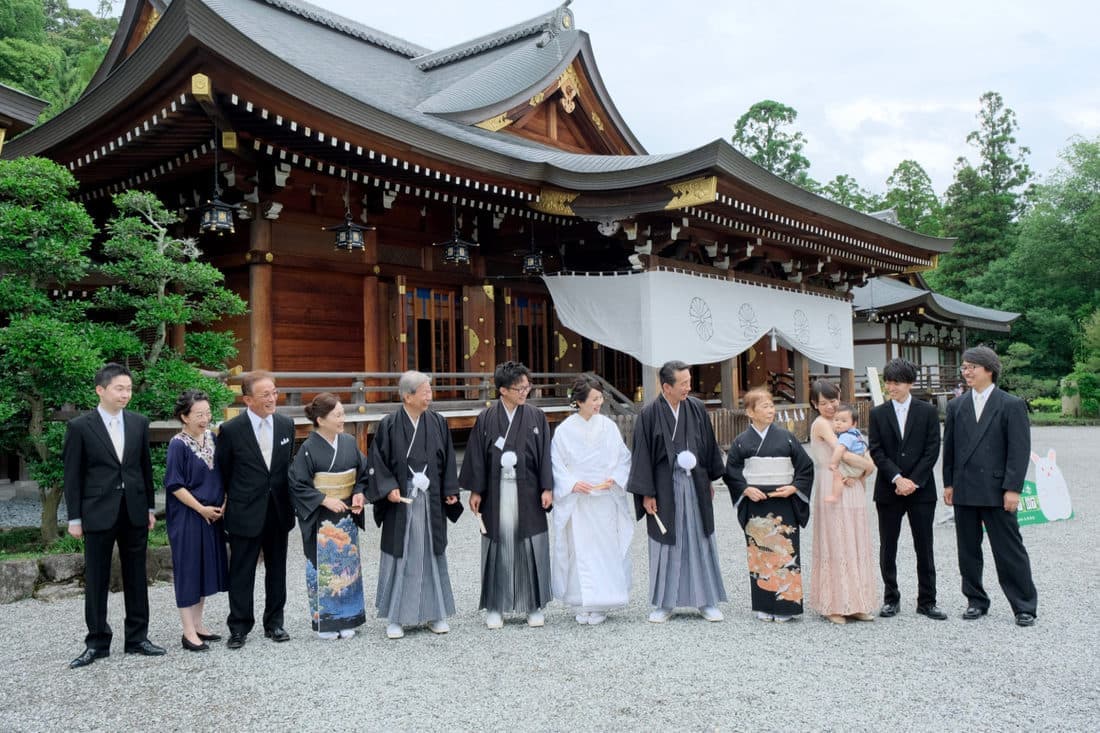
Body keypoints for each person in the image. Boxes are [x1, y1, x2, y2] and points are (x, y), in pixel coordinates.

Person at [63, 363, 165, 668]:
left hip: (133, 509)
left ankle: (137, 638)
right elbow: (73, 475)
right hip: (97, 511)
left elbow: (144, 469)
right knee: (96, 578)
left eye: (129, 389)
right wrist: (74, 518)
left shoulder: (138, 423)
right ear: (100, 390)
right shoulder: (81, 427)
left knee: (137, 576)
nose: (125, 394)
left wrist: (149, 507)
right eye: (119, 388)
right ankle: (97, 642)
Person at [943, 346, 1037, 627]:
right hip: (965, 488)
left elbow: (1019, 450)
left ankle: (1024, 605)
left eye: (972, 366)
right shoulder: (956, 406)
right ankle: (975, 600)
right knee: (968, 550)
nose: (966, 371)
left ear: (989, 370)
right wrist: (948, 483)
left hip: (997, 490)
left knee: (1009, 549)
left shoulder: (1011, 404)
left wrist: (1013, 489)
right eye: (964, 366)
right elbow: (950, 449)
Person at [627, 360, 727, 624]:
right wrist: (646, 494)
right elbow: (642, 455)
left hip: (694, 484)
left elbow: (708, 446)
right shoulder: (649, 414)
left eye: (689, 382)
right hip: (663, 487)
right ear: (666, 387)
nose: (688, 388)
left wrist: (708, 480)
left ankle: (706, 601)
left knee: (699, 539)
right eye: (683, 384)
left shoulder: (696, 408)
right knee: (665, 542)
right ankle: (664, 603)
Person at [368, 372, 462, 639]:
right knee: (402, 555)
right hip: (402, 501)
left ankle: (434, 613)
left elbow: (447, 459)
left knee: (431, 554)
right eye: (425, 392)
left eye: (430, 391)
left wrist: (450, 490)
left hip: (430, 499)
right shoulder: (388, 424)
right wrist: (388, 489)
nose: (429, 396)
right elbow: (378, 462)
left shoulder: (437, 423)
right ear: (407, 396)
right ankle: (396, 616)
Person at [460, 361, 553, 629]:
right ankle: (496, 606)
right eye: (519, 388)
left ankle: (532, 605)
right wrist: (476, 490)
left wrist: (547, 487)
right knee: (497, 547)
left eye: (527, 386)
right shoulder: (487, 418)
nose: (525, 392)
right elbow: (477, 456)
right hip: (496, 491)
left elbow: (546, 454)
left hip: (529, 490)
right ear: (502, 390)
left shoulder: (536, 416)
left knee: (530, 546)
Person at [216, 370, 296, 649]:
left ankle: (274, 623)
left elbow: (287, 467)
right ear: (248, 399)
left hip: (277, 508)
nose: (272, 398)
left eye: (274, 392)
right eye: (265, 395)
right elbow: (223, 471)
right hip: (245, 509)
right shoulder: (231, 430)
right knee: (242, 570)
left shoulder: (286, 425)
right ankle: (239, 626)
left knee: (277, 570)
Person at [723, 387, 814, 622]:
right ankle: (763, 605)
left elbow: (805, 466)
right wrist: (744, 488)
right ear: (750, 412)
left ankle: (787, 607)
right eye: (764, 406)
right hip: (756, 504)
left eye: (772, 405)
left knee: (786, 552)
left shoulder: (787, 437)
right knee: (759, 554)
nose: (771, 410)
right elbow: (731, 471)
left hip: (783, 502)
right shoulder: (742, 442)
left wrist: (794, 487)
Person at [550, 376, 633, 625]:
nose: (599, 403)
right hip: (579, 499)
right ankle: (581, 601)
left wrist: (615, 478)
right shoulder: (564, 430)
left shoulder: (608, 427)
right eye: (594, 399)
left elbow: (623, 458)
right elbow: (556, 463)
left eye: (600, 398)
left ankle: (602, 601)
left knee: (604, 548)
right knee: (579, 549)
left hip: (604, 498)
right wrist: (572, 483)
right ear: (579, 402)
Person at [868, 358, 946, 621]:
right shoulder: (878, 413)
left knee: (924, 545)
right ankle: (891, 598)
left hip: (921, 489)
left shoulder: (927, 411)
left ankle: (927, 600)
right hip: (889, 489)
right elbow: (876, 449)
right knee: (888, 545)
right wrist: (897, 478)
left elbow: (932, 449)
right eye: (888, 382)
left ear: (910, 383)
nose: (891, 387)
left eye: (897, 382)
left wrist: (913, 480)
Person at [288, 393, 368, 640]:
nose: (342, 419)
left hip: (345, 516)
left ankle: (348, 618)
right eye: (337, 415)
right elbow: (297, 483)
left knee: (347, 567)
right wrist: (323, 499)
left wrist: (358, 494)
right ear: (321, 420)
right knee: (323, 566)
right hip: (320, 517)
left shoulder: (348, 442)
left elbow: (363, 474)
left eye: (343, 413)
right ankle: (326, 621)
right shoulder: (309, 449)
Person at [807, 380, 878, 624]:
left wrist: (863, 470)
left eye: (833, 401)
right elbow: (844, 453)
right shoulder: (821, 424)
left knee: (854, 541)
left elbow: (863, 452)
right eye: (824, 403)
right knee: (836, 542)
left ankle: (856, 602)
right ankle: (832, 603)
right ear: (815, 404)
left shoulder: (848, 424)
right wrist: (868, 465)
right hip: (832, 481)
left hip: (852, 483)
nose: (829, 406)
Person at [164, 389, 230, 652]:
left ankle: (199, 623)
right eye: (199, 414)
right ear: (184, 417)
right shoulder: (178, 444)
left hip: (213, 515)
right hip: (189, 516)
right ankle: (188, 631)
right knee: (188, 570)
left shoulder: (213, 439)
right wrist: (201, 508)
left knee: (205, 569)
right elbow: (175, 485)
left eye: (208, 413)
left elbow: (223, 474)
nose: (205, 419)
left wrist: (223, 502)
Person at [826, 404, 870, 503]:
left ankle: (835, 495)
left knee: (837, 475)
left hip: (853, 464)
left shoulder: (845, 436)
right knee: (858, 477)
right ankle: (861, 490)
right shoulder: (856, 433)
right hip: (861, 463)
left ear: (853, 423)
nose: (838, 423)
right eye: (836, 420)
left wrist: (833, 463)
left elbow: (840, 450)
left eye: (843, 421)